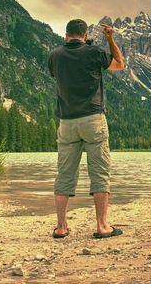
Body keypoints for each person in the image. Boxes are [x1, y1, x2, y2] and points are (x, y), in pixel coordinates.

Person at [47, 19, 125, 239]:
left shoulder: (55, 55)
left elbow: (60, 71)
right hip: (92, 119)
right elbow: (119, 64)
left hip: (66, 122)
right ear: (86, 33)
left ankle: (61, 227)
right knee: (99, 173)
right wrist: (109, 38)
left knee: (64, 175)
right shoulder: (94, 52)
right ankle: (102, 226)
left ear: (66, 35)